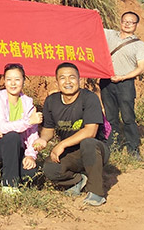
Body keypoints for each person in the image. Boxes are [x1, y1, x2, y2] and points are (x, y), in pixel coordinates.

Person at [34, 62, 110, 207]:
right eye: (62, 78)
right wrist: (43, 139)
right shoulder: (52, 101)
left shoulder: (89, 98)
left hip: (96, 150)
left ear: (79, 80)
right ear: (57, 82)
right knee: (50, 168)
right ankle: (78, 180)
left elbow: (90, 132)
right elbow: (48, 129)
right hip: (71, 153)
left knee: (88, 143)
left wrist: (61, 144)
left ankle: (96, 192)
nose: (67, 82)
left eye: (72, 77)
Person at [0, 63, 42, 195]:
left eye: (17, 79)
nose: (13, 83)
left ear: (23, 80)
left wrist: (30, 155)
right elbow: (2, 127)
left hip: (18, 148)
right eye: (9, 79)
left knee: (31, 175)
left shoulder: (28, 102)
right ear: (4, 81)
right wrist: (28, 121)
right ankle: (9, 185)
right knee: (12, 136)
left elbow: (32, 133)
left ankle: (2, 175)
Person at [100, 11, 144, 159]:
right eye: (125, 21)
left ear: (136, 25)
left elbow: (140, 68)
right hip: (107, 82)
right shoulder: (110, 35)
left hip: (125, 84)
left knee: (128, 118)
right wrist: (96, 14)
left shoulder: (139, 45)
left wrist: (123, 77)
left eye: (131, 22)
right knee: (111, 117)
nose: (127, 24)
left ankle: (133, 149)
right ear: (121, 21)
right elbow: (95, 26)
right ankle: (114, 146)